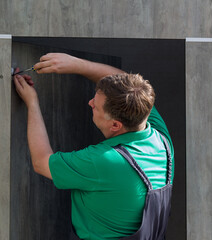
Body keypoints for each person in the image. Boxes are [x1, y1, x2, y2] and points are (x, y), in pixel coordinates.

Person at [13, 53, 174, 240]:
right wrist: (75, 65)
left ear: (115, 125)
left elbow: (41, 162)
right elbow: (129, 85)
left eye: (96, 106)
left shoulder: (106, 161)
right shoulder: (160, 140)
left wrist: (31, 103)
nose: (90, 103)